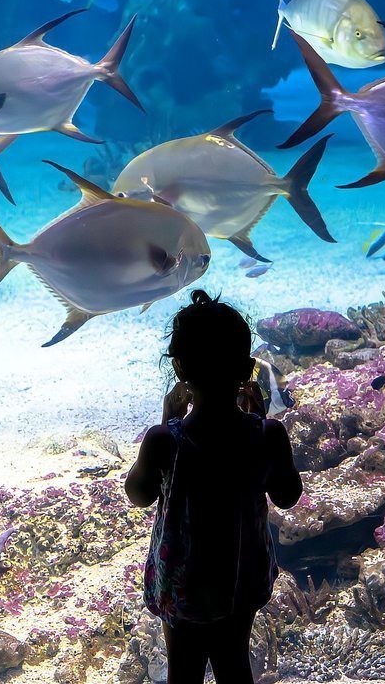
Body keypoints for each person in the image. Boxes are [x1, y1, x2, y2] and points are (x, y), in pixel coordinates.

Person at [125, 289, 303, 684]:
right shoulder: (268, 435)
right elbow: (287, 496)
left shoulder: (164, 440)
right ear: (247, 369)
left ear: (180, 371)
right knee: (234, 664)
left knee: (182, 673)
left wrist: (164, 421)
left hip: (181, 584)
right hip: (240, 579)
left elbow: (138, 495)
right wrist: (262, 426)